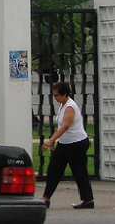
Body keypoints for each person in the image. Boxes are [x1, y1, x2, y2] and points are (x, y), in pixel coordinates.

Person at [41, 81, 94, 209]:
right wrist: (53, 140)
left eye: (57, 95)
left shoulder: (70, 106)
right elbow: (59, 126)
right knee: (54, 169)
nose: (55, 98)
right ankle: (45, 199)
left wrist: (50, 141)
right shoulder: (62, 104)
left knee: (79, 172)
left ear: (65, 94)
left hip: (76, 143)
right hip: (65, 143)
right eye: (54, 95)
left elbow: (65, 126)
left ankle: (88, 201)